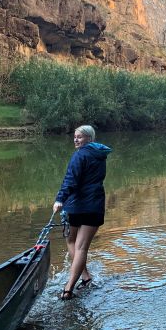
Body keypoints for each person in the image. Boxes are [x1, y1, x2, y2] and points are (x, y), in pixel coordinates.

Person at [52, 124, 112, 300]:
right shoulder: (100, 155)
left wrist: (59, 199)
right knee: (76, 243)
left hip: (77, 206)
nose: (76, 140)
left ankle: (68, 288)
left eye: (80, 137)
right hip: (94, 206)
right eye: (75, 137)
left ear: (89, 138)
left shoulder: (80, 155)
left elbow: (71, 179)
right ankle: (85, 277)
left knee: (77, 245)